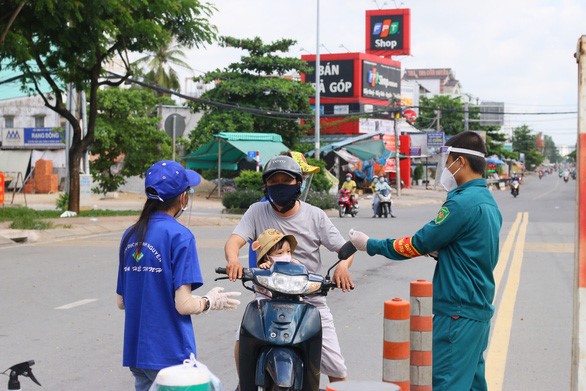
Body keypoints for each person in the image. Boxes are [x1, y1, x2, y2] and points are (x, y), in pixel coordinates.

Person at [348, 132, 502, 391]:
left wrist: (370, 244)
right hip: (477, 310)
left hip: (457, 311)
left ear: (461, 162)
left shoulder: (461, 204)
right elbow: (475, 251)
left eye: (448, 160)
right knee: (474, 385)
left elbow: (418, 243)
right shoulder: (488, 202)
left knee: (445, 384)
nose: (446, 167)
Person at [225, 155, 355, 384]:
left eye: (286, 180)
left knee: (337, 369)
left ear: (298, 183)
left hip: (310, 300)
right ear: (266, 185)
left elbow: (346, 249)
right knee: (240, 344)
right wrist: (233, 260)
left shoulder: (315, 216)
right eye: (274, 182)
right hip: (265, 297)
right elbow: (235, 240)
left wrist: (343, 266)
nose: (280, 186)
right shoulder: (257, 211)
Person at [116, 160, 242, 391]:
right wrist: (210, 302)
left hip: (136, 353)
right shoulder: (180, 236)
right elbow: (184, 305)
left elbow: (121, 301)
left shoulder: (130, 234)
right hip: (170, 354)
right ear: (183, 198)